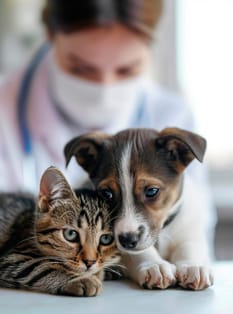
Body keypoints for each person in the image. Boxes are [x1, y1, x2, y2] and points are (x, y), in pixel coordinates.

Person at [0, 0, 216, 256]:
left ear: (149, 48)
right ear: (50, 35)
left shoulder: (172, 115)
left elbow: (192, 236)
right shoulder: (6, 111)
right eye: (81, 69)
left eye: (126, 69)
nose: (104, 86)